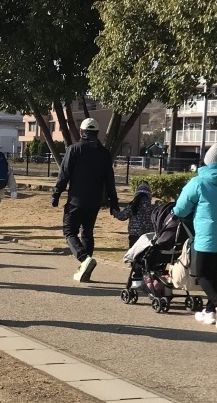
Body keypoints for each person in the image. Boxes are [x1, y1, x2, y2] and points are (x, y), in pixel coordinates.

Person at [173, 142, 217, 329]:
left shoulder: (198, 182)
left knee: (202, 275)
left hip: (206, 237)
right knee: (214, 274)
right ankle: (210, 312)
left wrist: (176, 213)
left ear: (207, 160)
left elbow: (181, 208)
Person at [50, 117, 120, 283]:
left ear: (82, 132)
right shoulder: (104, 153)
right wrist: (114, 203)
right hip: (95, 201)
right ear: (97, 132)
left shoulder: (74, 149)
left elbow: (64, 174)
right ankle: (85, 271)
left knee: (69, 231)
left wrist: (56, 194)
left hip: (76, 200)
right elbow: (110, 180)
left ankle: (84, 259)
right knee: (87, 233)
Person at [115, 180, 153, 288]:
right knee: (145, 256)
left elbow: (121, 216)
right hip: (147, 236)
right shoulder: (151, 207)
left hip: (134, 235)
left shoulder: (133, 205)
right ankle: (145, 276)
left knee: (135, 256)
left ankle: (137, 278)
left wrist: (114, 211)